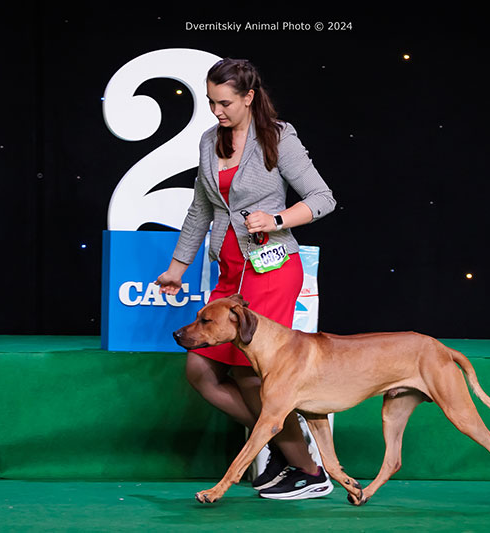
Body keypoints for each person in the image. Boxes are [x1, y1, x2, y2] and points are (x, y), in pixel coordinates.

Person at [155, 58, 337, 500]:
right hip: (230, 274)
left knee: (251, 375)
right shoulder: (208, 141)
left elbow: (323, 198)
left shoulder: (278, 137)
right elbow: (201, 209)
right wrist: (177, 268)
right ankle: (279, 444)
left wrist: (276, 219)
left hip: (271, 271)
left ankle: (310, 472)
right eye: (211, 102)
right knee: (200, 368)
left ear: (249, 97)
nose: (216, 111)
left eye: (225, 103)